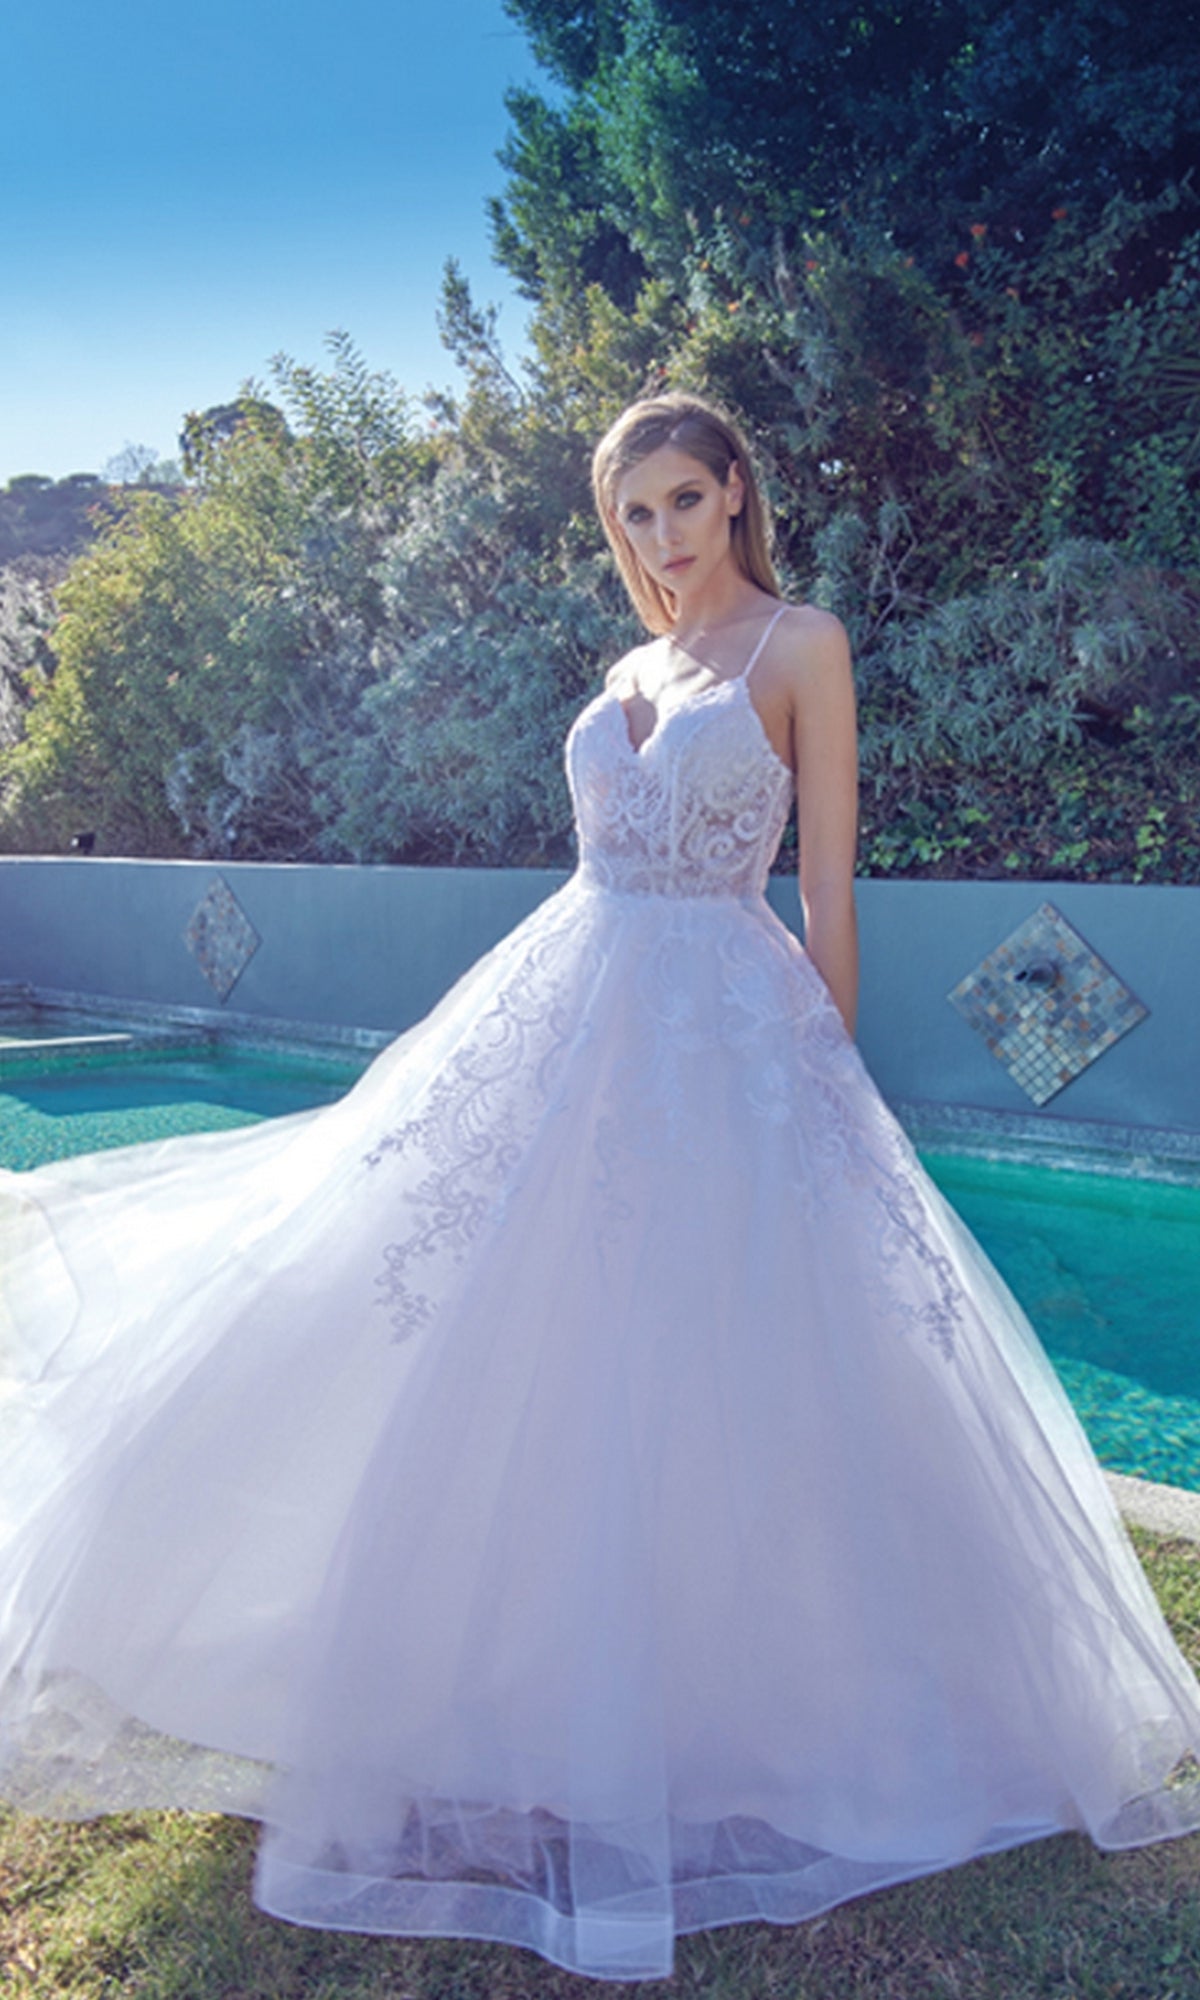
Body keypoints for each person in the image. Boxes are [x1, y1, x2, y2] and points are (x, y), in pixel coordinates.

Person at [1, 391, 1199, 1984]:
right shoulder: (627, 672)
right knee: (491, 1332)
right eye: (633, 515)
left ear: (737, 495)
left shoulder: (800, 647)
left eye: (684, 502)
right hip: (563, 1013)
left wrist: (825, 1074)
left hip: (728, 1032)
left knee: (720, 1364)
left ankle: (746, 1700)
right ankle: (501, 1684)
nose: (660, 538)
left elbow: (829, 884)